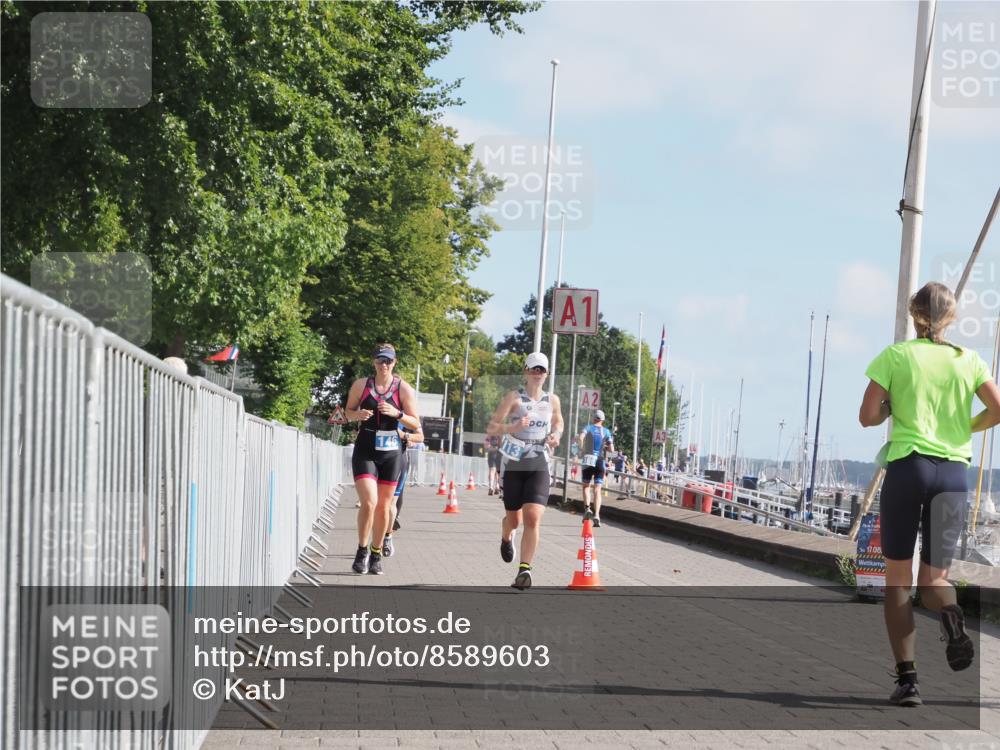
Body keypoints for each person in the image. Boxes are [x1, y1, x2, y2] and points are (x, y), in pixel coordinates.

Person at [859, 282, 1000, 707]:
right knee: (935, 579)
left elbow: (867, 416)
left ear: (913, 315)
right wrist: (963, 428)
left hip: (908, 468)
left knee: (898, 582)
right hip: (954, 473)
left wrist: (892, 408)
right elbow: (998, 409)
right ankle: (950, 615)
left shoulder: (896, 355)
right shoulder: (968, 360)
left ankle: (908, 681)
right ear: (951, 318)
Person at [486, 352, 563, 590]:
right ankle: (506, 536)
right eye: (534, 369)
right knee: (514, 519)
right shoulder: (514, 398)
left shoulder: (552, 400)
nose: (538, 374)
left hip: (539, 461)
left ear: (547, 374)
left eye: (542, 370)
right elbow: (492, 426)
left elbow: (559, 421)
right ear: (526, 372)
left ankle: (524, 570)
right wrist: (514, 426)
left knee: (533, 517)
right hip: (514, 463)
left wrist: (556, 435)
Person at [344, 344, 420, 575]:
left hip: (391, 452)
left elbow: (415, 423)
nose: (384, 365)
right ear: (374, 362)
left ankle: (376, 553)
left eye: (388, 361)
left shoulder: (403, 389)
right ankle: (362, 550)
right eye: (380, 361)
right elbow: (347, 413)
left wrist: (397, 413)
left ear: (394, 362)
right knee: (368, 502)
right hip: (366, 448)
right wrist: (358, 415)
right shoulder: (361, 385)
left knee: (384, 506)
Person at [381, 421, 424, 558]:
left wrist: (406, 436)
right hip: (376, 458)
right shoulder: (375, 405)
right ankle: (374, 540)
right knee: (377, 504)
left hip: (399, 458)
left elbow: (419, 436)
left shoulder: (406, 411)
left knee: (393, 503)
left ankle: (387, 538)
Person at [578, 410, 614, 527]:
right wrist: (604, 447)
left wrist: (582, 448)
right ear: (602, 421)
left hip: (588, 458)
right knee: (598, 489)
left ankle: (587, 508)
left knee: (586, 486)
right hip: (600, 460)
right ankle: (597, 515)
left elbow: (581, 437)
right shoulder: (606, 431)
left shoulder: (588, 427)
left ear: (593, 419)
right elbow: (611, 449)